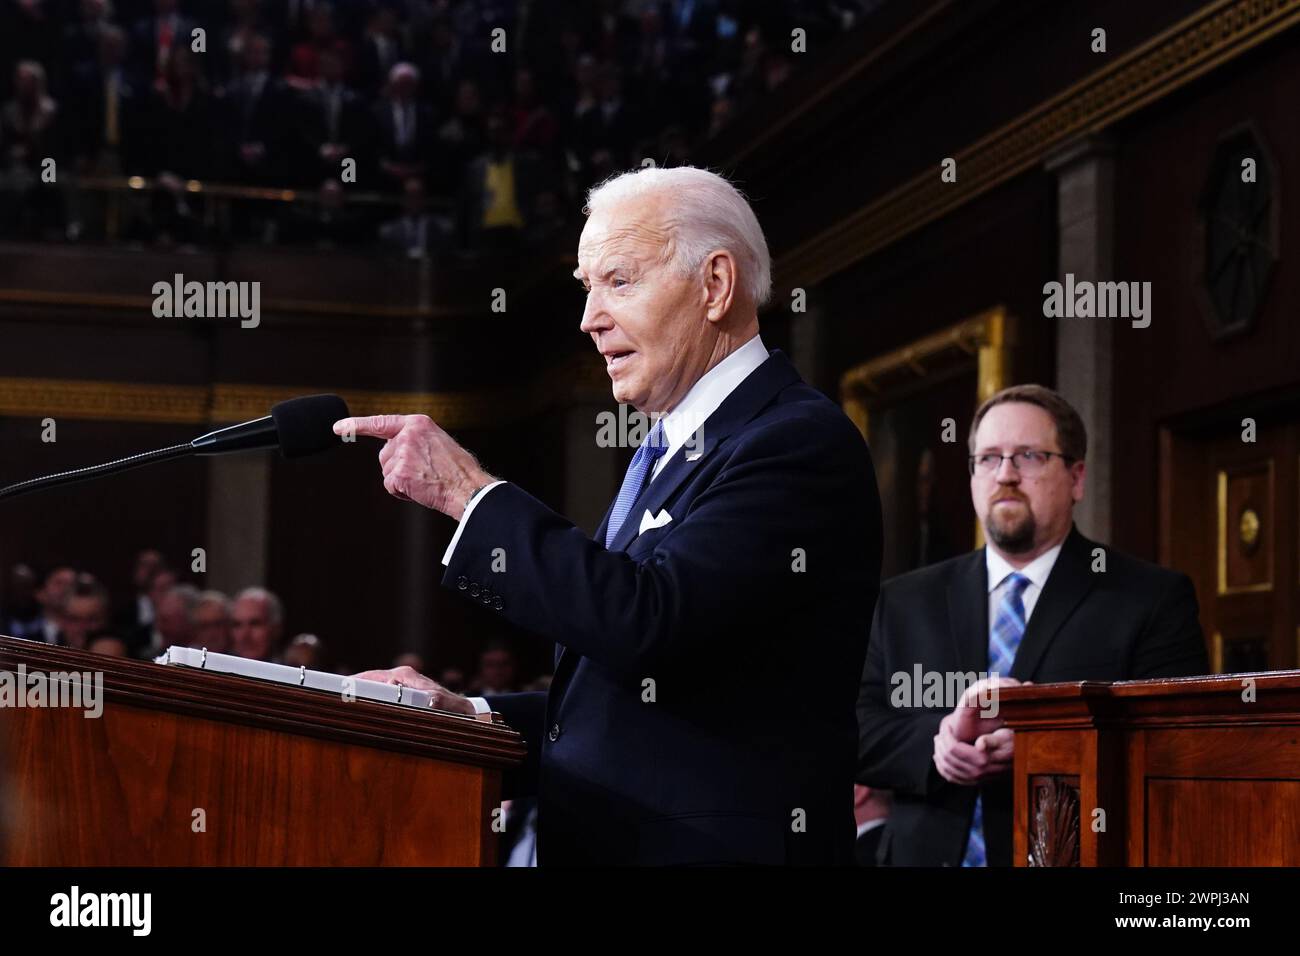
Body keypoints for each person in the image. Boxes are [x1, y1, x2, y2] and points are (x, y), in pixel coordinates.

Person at [340, 165, 882, 865]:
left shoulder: (794, 442)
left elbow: (647, 622)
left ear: (715, 286)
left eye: (619, 281)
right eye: (588, 287)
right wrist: (471, 718)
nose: (590, 318)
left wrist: (470, 493)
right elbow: (635, 702)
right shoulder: (667, 449)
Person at [856, 384, 1209, 866]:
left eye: (1029, 456)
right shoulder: (903, 600)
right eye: (988, 458)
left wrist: (1041, 745)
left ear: (1077, 477)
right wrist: (940, 741)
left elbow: (1179, 748)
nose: (1005, 475)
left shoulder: (1148, 599)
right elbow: (851, 728)